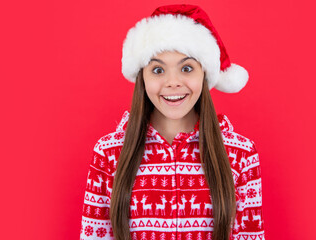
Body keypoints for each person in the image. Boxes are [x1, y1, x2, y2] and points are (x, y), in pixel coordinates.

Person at [79, 4, 265, 240]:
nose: (173, 82)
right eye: (158, 70)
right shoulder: (108, 153)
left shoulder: (241, 154)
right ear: (142, 78)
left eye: (187, 68)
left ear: (204, 74)